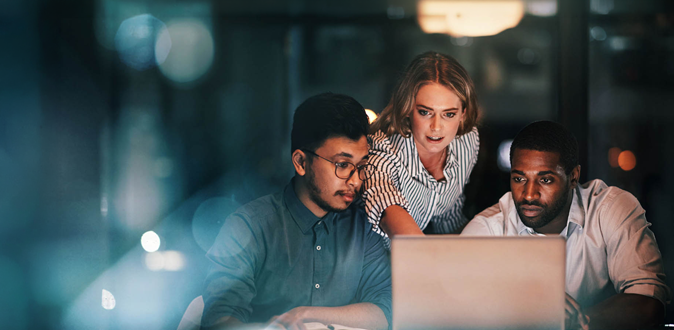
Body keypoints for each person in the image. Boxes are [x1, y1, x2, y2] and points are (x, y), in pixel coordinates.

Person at [201, 93, 391, 330]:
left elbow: (386, 310)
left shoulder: (363, 228)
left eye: (361, 166)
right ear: (301, 162)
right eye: (342, 165)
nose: (355, 181)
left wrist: (306, 315)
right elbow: (219, 319)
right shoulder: (249, 227)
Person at [461, 121, 668, 330]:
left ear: (573, 178)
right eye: (519, 179)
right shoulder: (486, 230)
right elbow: (452, 310)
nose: (529, 194)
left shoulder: (609, 210)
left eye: (546, 180)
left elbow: (649, 304)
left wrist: (571, 322)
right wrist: (524, 307)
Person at [361, 51, 481, 245]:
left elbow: (448, 218)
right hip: (373, 267)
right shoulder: (382, 151)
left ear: (463, 114)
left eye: (448, 114)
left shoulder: (466, 141)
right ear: (408, 109)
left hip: (423, 260)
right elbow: (386, 206)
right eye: (425, 112)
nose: (436, 126)